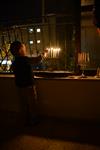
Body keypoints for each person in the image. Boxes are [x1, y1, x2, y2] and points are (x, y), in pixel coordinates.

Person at [9, 40, 42, 126]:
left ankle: (24, 119)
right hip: (29, 85)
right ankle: (34, 120)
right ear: (20, 50)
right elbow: (37, 60)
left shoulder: (15, 61)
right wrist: (44, 54)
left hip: (20, 86)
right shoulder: (25, 59)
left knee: (23, 103)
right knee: (32, 103)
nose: (25, 49)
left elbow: (12, 69)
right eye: (24, 48)